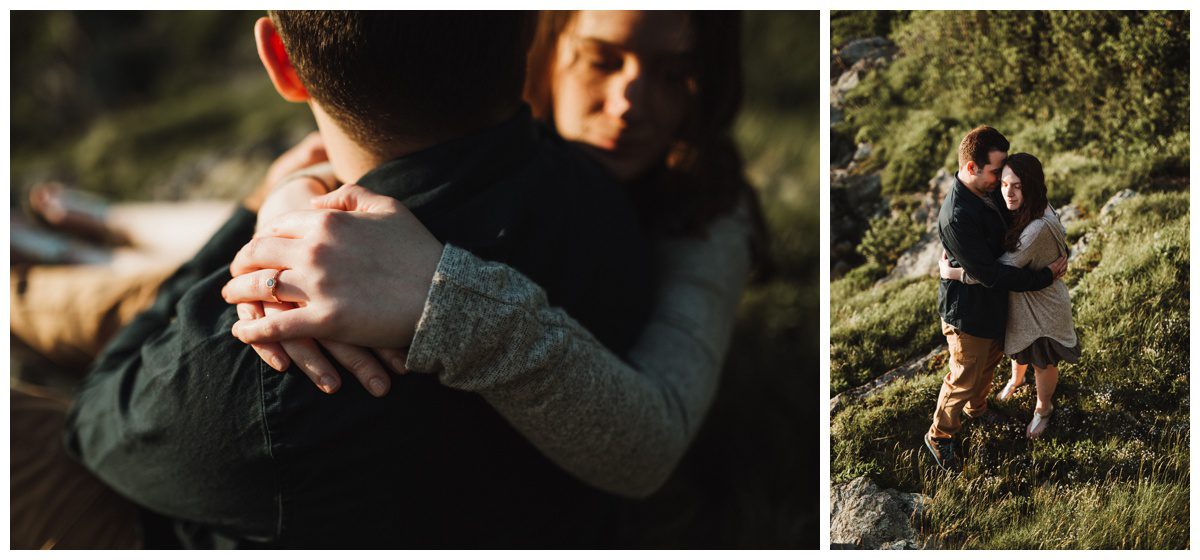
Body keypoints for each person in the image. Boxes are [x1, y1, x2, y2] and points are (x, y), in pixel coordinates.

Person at [62, 11, 656, 548]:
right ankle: (43, 269)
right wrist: (288, 201)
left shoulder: (259, 363)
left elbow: (95, 416)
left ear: (282, 62)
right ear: (528, 28)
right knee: (79, 297)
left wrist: (256, 215)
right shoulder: (614, 197)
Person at [923, 125, 1067, 473]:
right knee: (963, 377)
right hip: (968, 313)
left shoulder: (990, 191)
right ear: (972, 168)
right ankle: (941, 434)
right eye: (995, 171)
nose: (1002, 178)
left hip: (992, 307)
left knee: (987, 365)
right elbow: (991, 274)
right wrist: (1044, 276)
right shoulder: (958, 215)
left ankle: (978, 410)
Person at [938, 153, 1079, 438]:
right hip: (1022, 297)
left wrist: (951, 273)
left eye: (1017, 186)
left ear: (1032, 186)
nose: (1008, 193)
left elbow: (994, 272)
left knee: (1042, 360)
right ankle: (1015, 381)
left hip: (1042, 305)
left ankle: (1043, 408)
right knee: (1020, 348)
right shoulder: (1027, 209)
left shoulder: (1036, 228)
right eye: (1003, 184)